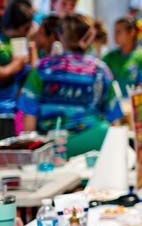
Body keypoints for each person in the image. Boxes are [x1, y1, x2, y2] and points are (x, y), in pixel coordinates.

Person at [19, 14, 123, 157]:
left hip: (50, 148)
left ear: (61, 36)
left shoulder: (42, 68)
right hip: (92, 145)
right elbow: (114, 118)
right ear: (89, 38)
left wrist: (30, 153)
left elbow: (29, 115)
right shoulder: (100, 70)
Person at [0, 0, 35, 139]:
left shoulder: (19, 43)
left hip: (14, 110)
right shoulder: (2, 45)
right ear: (24, 26)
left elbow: (31, 75)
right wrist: (14, 66)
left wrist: (32, 51)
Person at [103, 17, 142, 97]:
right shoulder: (109, 57)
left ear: (132, 32)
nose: (114, 36)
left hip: (134, 104)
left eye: (119, 32)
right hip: (114, 106)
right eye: (115, 32)